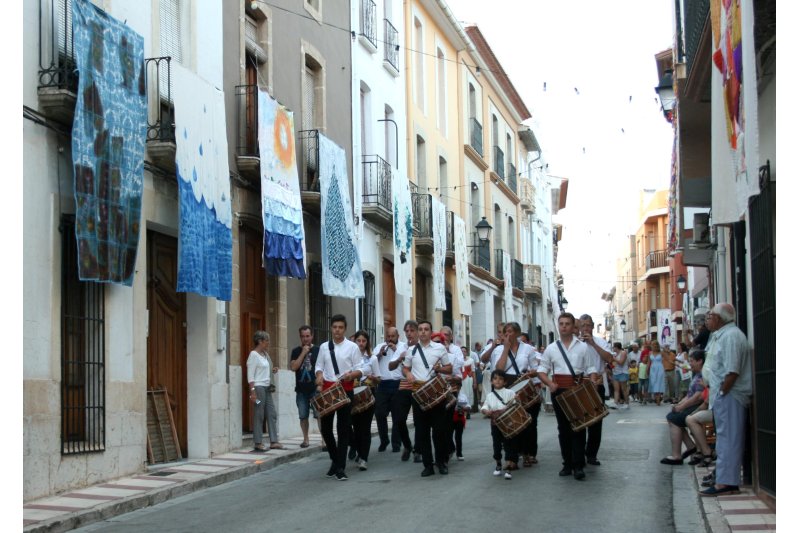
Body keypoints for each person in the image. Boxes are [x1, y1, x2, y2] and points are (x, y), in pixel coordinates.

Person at [537, 312, 597, 481]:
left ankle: (579, 465)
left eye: (567, 324)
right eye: (561, 323)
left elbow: (591, 369)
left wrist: (591, 385)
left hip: (577, 391)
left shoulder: (583, 347)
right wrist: (550, 384)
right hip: (559, 392)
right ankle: (567, 464)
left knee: (579, 427)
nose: (564, 326)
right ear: (558, 326)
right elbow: (542, 370)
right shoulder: (551, 348)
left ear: (573, 327)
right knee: (563, 429)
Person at [699, 303, 751, 497]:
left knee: (728, 439)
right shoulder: (721, 335)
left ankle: (726, 483)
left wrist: (722, 392)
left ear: (719, 318)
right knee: (724, 438)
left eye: (710, 315)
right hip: (722, 395)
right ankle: (725, 479)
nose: (708, 318)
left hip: (730, 395)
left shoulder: (731, 336)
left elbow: (732, 371)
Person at [314, 315, 363, 481]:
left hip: (345, 389)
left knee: (343, 430)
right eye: (334, 327)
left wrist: (352, 375)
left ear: (345, 329)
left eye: (340, 327)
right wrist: (319, 376)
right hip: (328, 390)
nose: (337, 330)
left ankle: (340, 467)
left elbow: (360, 369)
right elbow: (319, 365)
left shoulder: (352, 347)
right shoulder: (324, 347)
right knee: (326, 429)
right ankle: (335, 460)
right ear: (331, 328)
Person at [403, 320, 452, 477]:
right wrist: (408, 374)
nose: (423, 332)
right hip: (418, 393)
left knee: (439, 430)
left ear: (431, 332)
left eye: (426, 329)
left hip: (436, 392)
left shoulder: (439, 348)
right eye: (421, 329)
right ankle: (428, 465)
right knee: (422, 432)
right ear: (417, 332)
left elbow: (449, 368)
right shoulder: (411, 350)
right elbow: (405, 367)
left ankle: (441, 462)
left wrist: (440, 368)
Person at [490, 321, 539, 467]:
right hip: (507, 385)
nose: (508, 334)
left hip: (523, 383)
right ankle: (513, 456)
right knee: (511, 421)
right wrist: (505, 349)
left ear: (517, 333)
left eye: (511, 331)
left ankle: (529, 453)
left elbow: (535, 368)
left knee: (528, 422)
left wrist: (532, 375)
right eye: (506, 332)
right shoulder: (498, 350)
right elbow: (498, 370)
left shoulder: (528, 349)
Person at [577, 315, 615, 467]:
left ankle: (592, 454)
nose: (585, 328)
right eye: (583, 325)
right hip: (580, 384)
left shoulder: (600, 342)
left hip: (597, 384)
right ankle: (579, 453)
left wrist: (593, 344)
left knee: (596, 421)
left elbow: (609, 359)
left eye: (588, 325)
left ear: (592, 327)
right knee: (579, 420)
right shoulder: (576, 343)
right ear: (579, 328)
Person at [660, 350, 706, 465]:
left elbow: (698, 397)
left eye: (692, 361)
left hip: (698, 406)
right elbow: (690, 395)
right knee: (672, 416)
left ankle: (678, 455)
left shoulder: (703, 375)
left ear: (700, 361)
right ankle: (690, 447)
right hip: (693, 404)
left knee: (673, 418)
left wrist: (681, 407)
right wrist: (679, 404)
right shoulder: (696, 374)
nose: (690, 364)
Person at [349, 330, 380, 471]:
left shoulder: (372, 358)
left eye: (363, 341)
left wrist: (374, 378)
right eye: (358, 341)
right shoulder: (349, 357)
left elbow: (379, 378)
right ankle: (358, 450)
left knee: (365, 428)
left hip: (368, 394)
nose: (361, 344)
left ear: (367, 343)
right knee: (355, 428)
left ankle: (363, 458)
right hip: (352, 396)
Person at [247, 331, 283, 451]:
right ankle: (258, 443)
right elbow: (251, 375)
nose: (268, 343)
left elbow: (262, 370)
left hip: (267, 388)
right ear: (260, 341)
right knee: (259, 414)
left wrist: (272, 370)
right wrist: (252, 392)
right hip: (258, 388)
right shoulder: (253, 355)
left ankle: (274, 441)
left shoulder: (264, 355)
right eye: (266, 340)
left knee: (272, 414)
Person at [373, 326, 406, 453]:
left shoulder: (403, 347)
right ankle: (384, 440)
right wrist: (379, 354)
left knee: (397, 415)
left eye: (393, 336)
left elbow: (407, 361)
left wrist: (396, 350)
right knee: (380, 413)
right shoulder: (379, 346)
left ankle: (396, 443)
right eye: (388, 336)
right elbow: (373, 361)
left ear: (398, 336)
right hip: (383, 384)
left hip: (398, 383)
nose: (390, 339)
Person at [391, 321, 420, 463]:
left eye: (412, 330)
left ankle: (418, 450)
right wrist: (399, 358)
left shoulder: (423, 346)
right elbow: (391, 366)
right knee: (399, 419)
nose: (409, 333)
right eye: (406, 331)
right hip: (404, 386)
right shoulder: (401, 347)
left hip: (419, 386)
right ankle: (408, 445)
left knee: (419, 420)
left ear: (417, 332)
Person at [480, 370, 517, 480]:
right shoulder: (490, 395)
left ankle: (509, 467)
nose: (498, 381)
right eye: (495, 378)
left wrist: (516, 401)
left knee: (509, 443)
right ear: (491, 381)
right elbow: (485, 406)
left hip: (508, 423)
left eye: (501, 379)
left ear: (505, 382)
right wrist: (486, 411)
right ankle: (498, 464)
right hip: (495, 424)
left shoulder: (510, 392)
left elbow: (515, 405)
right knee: (496, 445)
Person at [289, 325, 320, 448]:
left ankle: (324, 440)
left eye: (308, 336)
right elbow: (293, 367)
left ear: (312, 336)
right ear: (300, 337)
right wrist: (303, 353)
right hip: (301, 390)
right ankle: (306, 439)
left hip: (315, 389)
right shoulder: (296, 351)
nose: (305, 339)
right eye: (303, 336)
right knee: (303, 416)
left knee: (319, 415)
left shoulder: (318, 350)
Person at [450, 380, 469, 461]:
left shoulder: (463, 396)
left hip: (459, 417)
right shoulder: (448, 395)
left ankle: (459, 453)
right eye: (454, 387)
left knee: (458, 437)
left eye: (458, 387)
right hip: (450, 417)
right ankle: (451, 448)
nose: (456, 389)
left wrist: (465, 408)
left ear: (460, 387)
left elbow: (468, 406)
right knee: (448, 435)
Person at [611, 342, 630, 408]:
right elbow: (614, 363)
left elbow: (621, 362)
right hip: (616, 373)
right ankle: (615, 403)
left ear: (616, 347)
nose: (613, 348)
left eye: (613, 347)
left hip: (623, 373)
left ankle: (627, 403)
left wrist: (614, 359)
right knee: (616, 389)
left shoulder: (623, 353)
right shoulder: (615, 354)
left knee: (623, 389)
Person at [647, 341, 666, 405]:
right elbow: (648, 362)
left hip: (660, 369)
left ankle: (658, 398)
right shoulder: (650, 353)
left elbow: (668, 358)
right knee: (653, 383)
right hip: (653, 369)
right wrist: (647, 370)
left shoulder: (661, 353)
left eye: (655, 345)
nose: (654, 346)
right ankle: (657, 397)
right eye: (652, 345)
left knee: (659, 383)